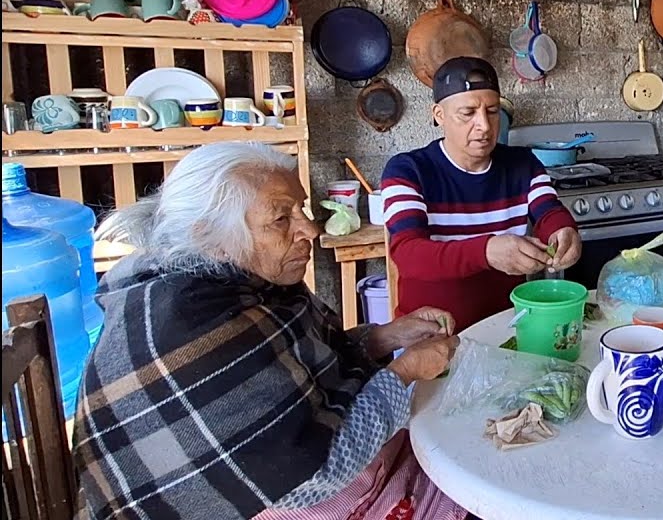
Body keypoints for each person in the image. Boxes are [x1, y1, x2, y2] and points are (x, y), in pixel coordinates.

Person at [74, 143, 468, 520]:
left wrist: (384, 338)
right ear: (208, 236)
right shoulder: (187, 328)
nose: (310, 229)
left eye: (302, 209)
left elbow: (305, 368)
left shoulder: (242, 283)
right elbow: (313, 476)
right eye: (282, 218)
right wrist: (404, 374)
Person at [381, 57, 581, 330]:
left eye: (492, 111)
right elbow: (408, 255)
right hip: (431, 336)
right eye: (468, 113)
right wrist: (486, 251)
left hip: (504, 329)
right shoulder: (408, 170)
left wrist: (564, 230)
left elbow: (549, 211)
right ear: (439, 115)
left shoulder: (523, 164)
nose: (485, 126)